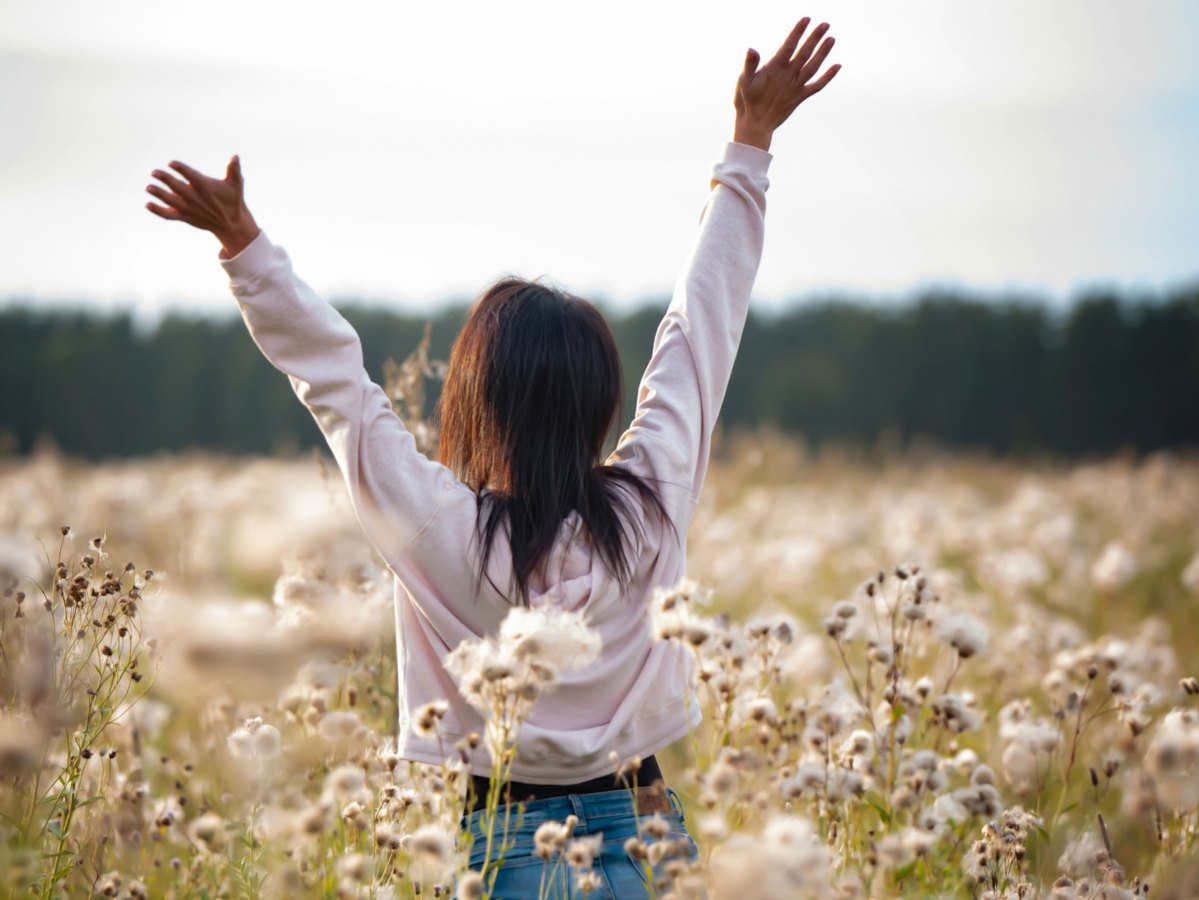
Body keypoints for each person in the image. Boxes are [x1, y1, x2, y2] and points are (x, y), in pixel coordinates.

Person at [145, 16, 839, 898]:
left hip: (504, 851)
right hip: (649, 847)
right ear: (599, 400)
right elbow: (704, 327)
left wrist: (246, 250)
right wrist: (749, 146)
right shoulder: (653, 502)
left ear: (475, 402)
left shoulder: (442, 530)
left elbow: (339, 384)